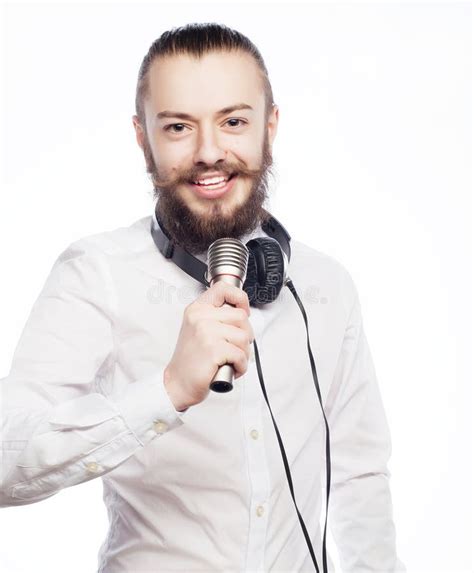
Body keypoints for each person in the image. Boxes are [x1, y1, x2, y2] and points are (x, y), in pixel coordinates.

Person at [0, 23, 405, 572]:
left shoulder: (325, 285)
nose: (209, 152)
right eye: (178, 127)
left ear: (270, 126)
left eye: (234, 121)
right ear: (144, 139)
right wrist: (166, 390)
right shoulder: (96, 273)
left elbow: (360, 475)